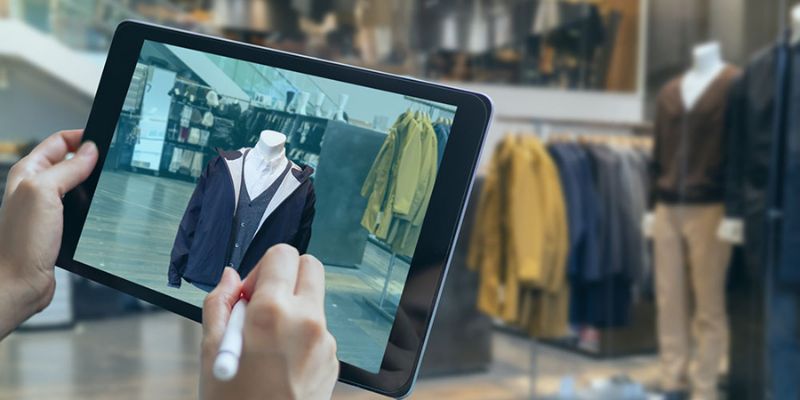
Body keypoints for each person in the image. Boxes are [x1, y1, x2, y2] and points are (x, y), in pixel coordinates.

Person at [0, 130, 339, 399]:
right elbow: (193, 216)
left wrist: (19, 280)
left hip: (251, 290)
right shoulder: (224, 165)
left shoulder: (302, 186)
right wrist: (178, 265)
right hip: (207, 273)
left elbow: (297, 242)